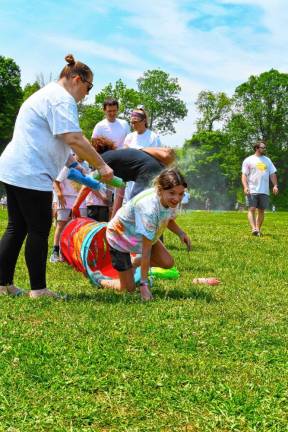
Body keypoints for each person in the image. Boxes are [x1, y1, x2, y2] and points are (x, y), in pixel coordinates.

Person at [0, 54, 113, 298]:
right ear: (76, 79)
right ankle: (39, 290)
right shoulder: (62, 99)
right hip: (31, 172)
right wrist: (102, 167)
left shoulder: (47, 94)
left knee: (17, 227)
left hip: (14, 167)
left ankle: (3, 284)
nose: (87, 94)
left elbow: (53, 138)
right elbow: (73, 137)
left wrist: (72, 161)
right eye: (88, 86)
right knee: (39, 229)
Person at [96, 168, 191, 301]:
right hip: (120, 238)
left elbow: (167, 218)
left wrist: (181, 233)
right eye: (172, 193)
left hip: (142, 234)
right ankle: (100, 280)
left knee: (167, 262)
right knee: (128, 289)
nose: (177, 198)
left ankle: (134, 262)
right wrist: (144, 285)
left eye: (181, 194)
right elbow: (146, 253)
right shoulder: (149, 209)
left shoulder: (170, 201)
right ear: (160, 189)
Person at [71, 136, 175, 218]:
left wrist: (75, 206)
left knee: (137, 204)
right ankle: (152, 239)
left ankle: (142, 240)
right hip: (157, 169)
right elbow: (120, 193)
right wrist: (115, 216)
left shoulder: (103, 159)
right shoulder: (116, 158)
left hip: (148, 171)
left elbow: (88, 184)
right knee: (149, 206)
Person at [50, 165, 88, 263]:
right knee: (61, 225)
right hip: (65, 199)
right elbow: (56, 182)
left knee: (79, 226)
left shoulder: (85, 166)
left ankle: (72, 253)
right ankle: (55, 252)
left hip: (80, 199)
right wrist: (59, 195)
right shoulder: (68, 166)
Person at [241, 140, 278, 236]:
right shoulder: (248, 160)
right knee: (252, 208)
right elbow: (244, 175)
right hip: (252, 189)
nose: (264, 149)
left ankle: (258, 229)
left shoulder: (267, 160)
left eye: (265, 147)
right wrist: (245, 187)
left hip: (264, 190)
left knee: (261, 210)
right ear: (257, 148)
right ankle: (253, 228)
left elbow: (272, 174)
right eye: (263, 147)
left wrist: (275, 185)